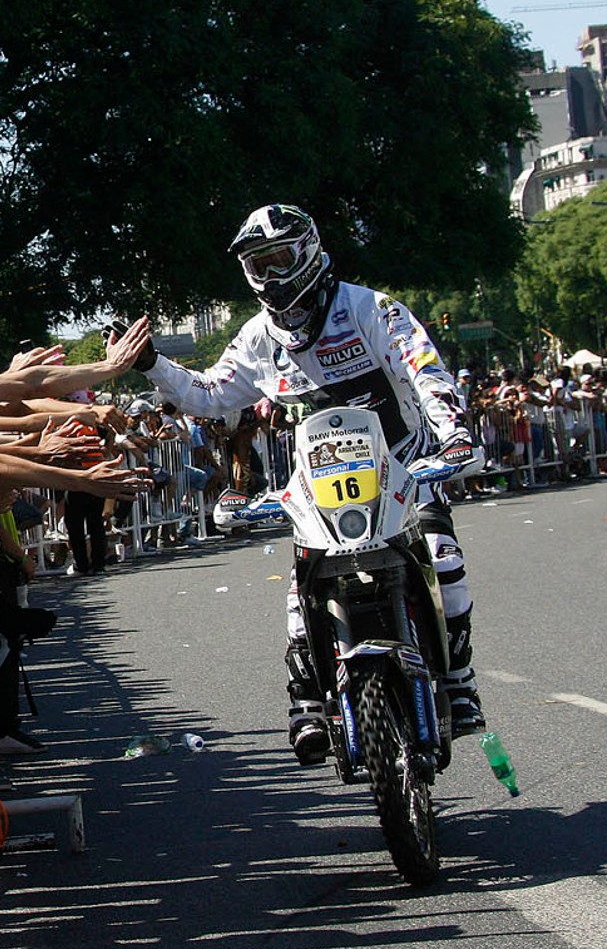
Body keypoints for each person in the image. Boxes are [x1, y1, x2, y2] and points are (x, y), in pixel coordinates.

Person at [121, 204, 485, 763]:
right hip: (318, 490)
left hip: (403, 469)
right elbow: (210, 394)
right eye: (257, 265)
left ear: (309, 249)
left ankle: (459, 681)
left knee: (444, 561)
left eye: (279, 259)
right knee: (298, 593)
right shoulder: (256, 337)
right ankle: (307, 701)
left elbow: (422, 368)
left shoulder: (370, 308)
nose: (270, 276)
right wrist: (151, 363)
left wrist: (453, 434)